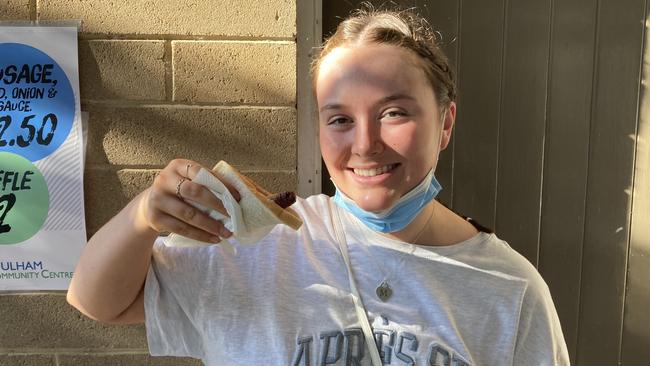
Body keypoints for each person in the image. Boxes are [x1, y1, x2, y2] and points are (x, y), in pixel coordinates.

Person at [67, 6, 570, 366]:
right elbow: (96, 301)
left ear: (445, 122)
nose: (366, 144)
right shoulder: (258, 247)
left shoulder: (511, 292)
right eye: (340, 119)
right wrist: (140, 218)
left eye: (394, 112)